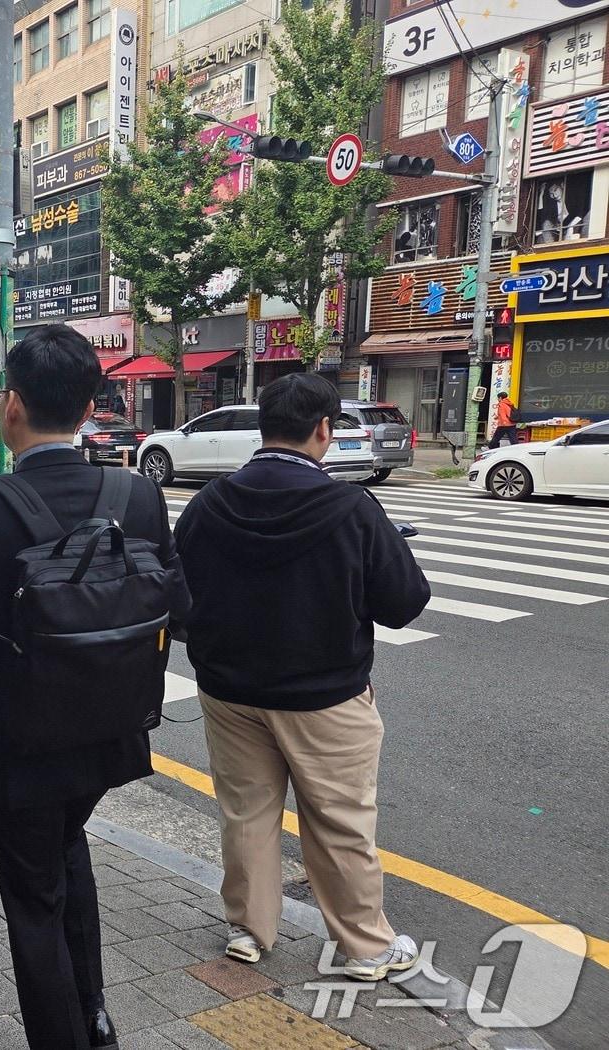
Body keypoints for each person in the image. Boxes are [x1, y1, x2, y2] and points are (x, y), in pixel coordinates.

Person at [0, 325, 189, 1050]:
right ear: (89, 408)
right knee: (65, 851)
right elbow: (175, 610)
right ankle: (95, 1014)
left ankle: (65, 1034)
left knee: (31, 896)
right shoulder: (137, 496)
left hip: (17, 745)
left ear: (11, 405)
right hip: (110, 730)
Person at [173, 372, 430, 981]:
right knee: (339, 821)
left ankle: (248, 929)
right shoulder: (350, 508)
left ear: (264, 426)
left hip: (230, 692)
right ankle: (366, 947)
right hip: (326, 696)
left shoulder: (210, 502)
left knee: (246, 812)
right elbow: (403, 602)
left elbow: (176, 596)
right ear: (323, 430)